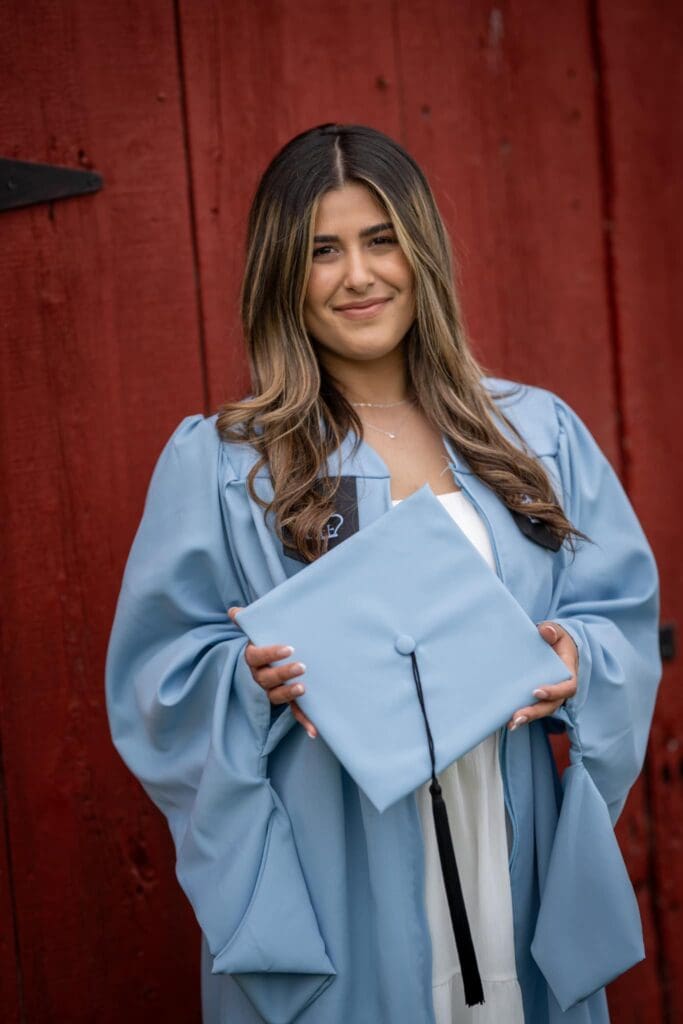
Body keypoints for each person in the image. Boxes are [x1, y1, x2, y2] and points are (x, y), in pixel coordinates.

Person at [105, 123, 662, 1024]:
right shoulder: (224, 463)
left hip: (503, 828)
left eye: (380, 240)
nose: (358, 276)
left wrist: (576, 659)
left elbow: (617, 616)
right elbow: (156, 677)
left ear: (422, 253)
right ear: (282, 272)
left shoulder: (531, 432)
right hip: (335, 853)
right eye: (323, 250)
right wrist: (245, 682)